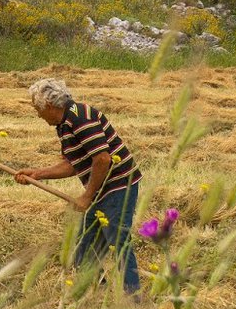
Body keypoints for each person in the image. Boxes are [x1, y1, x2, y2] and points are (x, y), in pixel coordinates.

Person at [14, 78, 142, 294]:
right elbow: (73, 164)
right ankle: (96, 294)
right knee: (86, 246)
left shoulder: (81, 119)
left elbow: (102, 159)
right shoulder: (64, 124)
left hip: (119, 185)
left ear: (51, 106)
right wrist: (38, 174)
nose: (37, 114)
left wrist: (87, 196)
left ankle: (133, 300)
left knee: (119, 242)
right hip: (101, 189)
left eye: (38, 109)